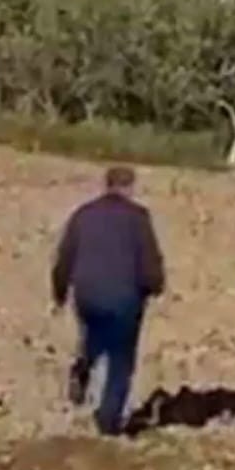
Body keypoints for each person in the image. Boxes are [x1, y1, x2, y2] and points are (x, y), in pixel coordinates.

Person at [51, 164, 165, 436]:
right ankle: (108, 419)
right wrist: (154, 286)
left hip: (87, 293)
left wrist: (60, 291)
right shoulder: (138, 218)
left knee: (94, 335)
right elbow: (149, 260)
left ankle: (83, 365)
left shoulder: (83, 214)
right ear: (129, 187)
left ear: (106, 185)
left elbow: (65, 256)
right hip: (124, 297)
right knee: (121, 359)